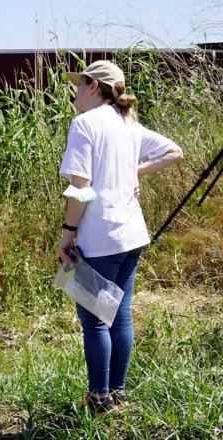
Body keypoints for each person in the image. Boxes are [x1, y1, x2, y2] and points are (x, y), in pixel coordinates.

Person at [58, 60, 182, 413]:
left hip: (101, 237)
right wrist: (132, 172)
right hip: (132, 234)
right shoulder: (128, 123)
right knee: (120, 315)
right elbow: (174, 151)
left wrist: (68, 233)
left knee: (95, 320)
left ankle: (99, 398)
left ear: (94, 86)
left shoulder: (85, 124)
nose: (75, 91)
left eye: (79, 85)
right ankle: (117, 393)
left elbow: (79, 187)